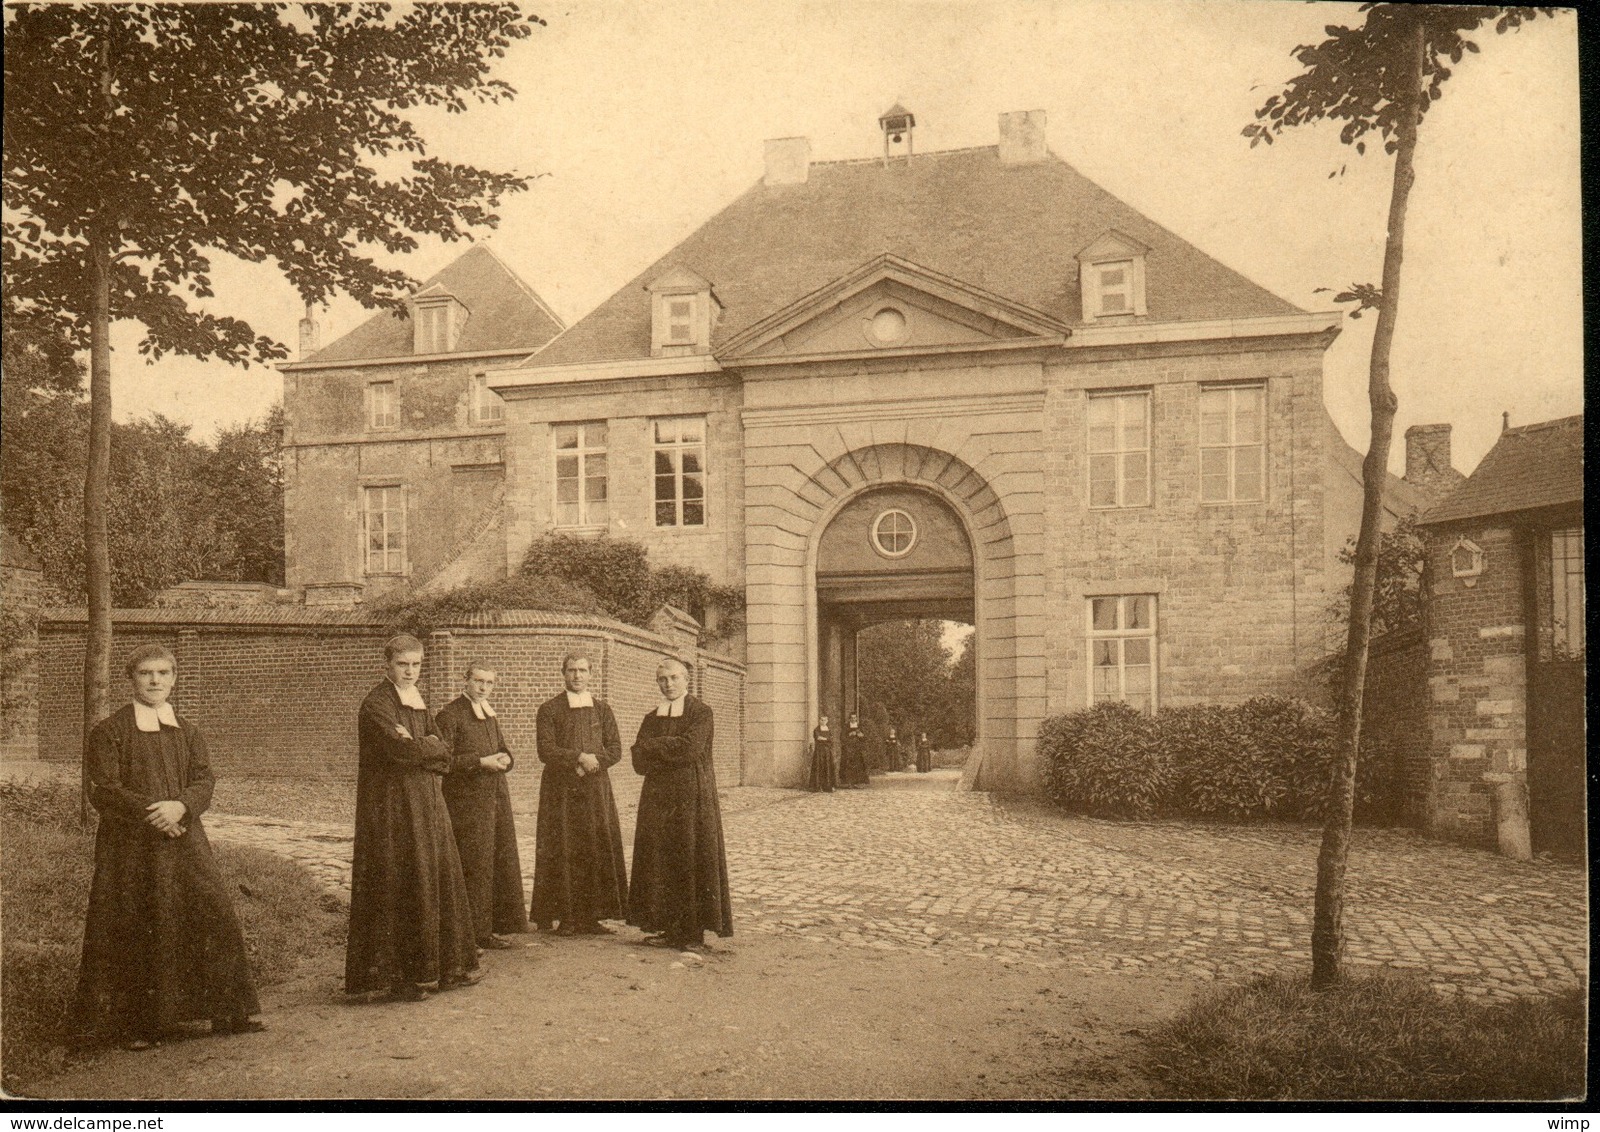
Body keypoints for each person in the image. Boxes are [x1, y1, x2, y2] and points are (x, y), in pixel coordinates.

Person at [72, 644, 263, 1050]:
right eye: (146, 673)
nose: (155, 681)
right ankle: (138, 1024)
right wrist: (155, 813)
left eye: (163, 673)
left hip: (185, 838)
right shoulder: (109, 731)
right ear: (132, 679)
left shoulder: (189, 733)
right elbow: (104, 789)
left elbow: (203, 781)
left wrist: (181, 807)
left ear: (174, 679)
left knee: (210, 909)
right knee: (136, 920)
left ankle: (226, 1009)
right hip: (130, 846)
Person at [345, 634, 481, 1001]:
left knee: (436, 876)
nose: (410, 671)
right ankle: (400, 978)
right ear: (386, 665)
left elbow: (445, 752)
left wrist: (422, 746)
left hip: (427, 802)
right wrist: (425, 748)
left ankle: (442, 968)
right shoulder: (376, 704)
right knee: (401, 880)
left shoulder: (419, 704)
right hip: (391, 807)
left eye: (416, 664)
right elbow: (397, 751)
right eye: (402, 664)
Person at [627, 659, 732, 950]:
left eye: (673, 678)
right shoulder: (651, 717)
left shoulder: (701, 712)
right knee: (660, 858)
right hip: (657, 798)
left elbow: (689, 749)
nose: (668, 684)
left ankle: (692, 933)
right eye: (662, 679)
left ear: (687, 680)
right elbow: (637, 759)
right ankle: (668, 927)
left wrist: (654, 746)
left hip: (691, 796)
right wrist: (661, 747)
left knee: (689, 856)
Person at [531, 652, 628, 935]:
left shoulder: (602, 709)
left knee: (594, 846)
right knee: (564, 848)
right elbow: (545, 750)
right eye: (571, 671)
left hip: (596, 790)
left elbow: (615, 749)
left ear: (591, 674)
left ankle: (593, 916)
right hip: (561, 792)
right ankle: (567, 917)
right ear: (563, 674)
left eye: (582, 671)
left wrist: (594, 761)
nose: (577, 676)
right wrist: (578, 758)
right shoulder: (549, 709)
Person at [435, 663, 529, 949]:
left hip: (494, 799)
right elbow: (444, 761)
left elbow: (503, 748)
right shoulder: (450, 715)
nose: (483, 687)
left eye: (489, 683)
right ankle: (468, 935)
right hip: (466, 805)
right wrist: (480, 763)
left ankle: (485, 931)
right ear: (466, 681)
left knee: (492, 864)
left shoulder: (488, 714)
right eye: (478, 681)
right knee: (472, 866)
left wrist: (505, 760)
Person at [838, 713, 870, 787]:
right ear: (849, 719)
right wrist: (850, 734)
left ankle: (857, 783)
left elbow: (865, 738)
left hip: (857, 748)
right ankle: (848, 783)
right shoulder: (846, 726)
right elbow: (842, 737)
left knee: (858, 764)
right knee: (848, 764)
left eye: (854, 718)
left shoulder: (859, 726)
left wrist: (861, 735)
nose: (853, 719)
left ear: (856, 718)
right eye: (851, 718)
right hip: (848, 748)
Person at [808, 714, 835, 793]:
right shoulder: (816, 729)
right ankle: (818, 786)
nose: (823, 722)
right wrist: (827, 739)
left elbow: (831, 739)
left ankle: (828, 786)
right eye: (821, 720)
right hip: (819, 752)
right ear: (819, 721)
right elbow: (818, 738)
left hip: (827, 752)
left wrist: (825, 739)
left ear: (827, 721)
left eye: (825, 720)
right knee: (819, 767)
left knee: (827, 767)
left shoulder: (829, 729)